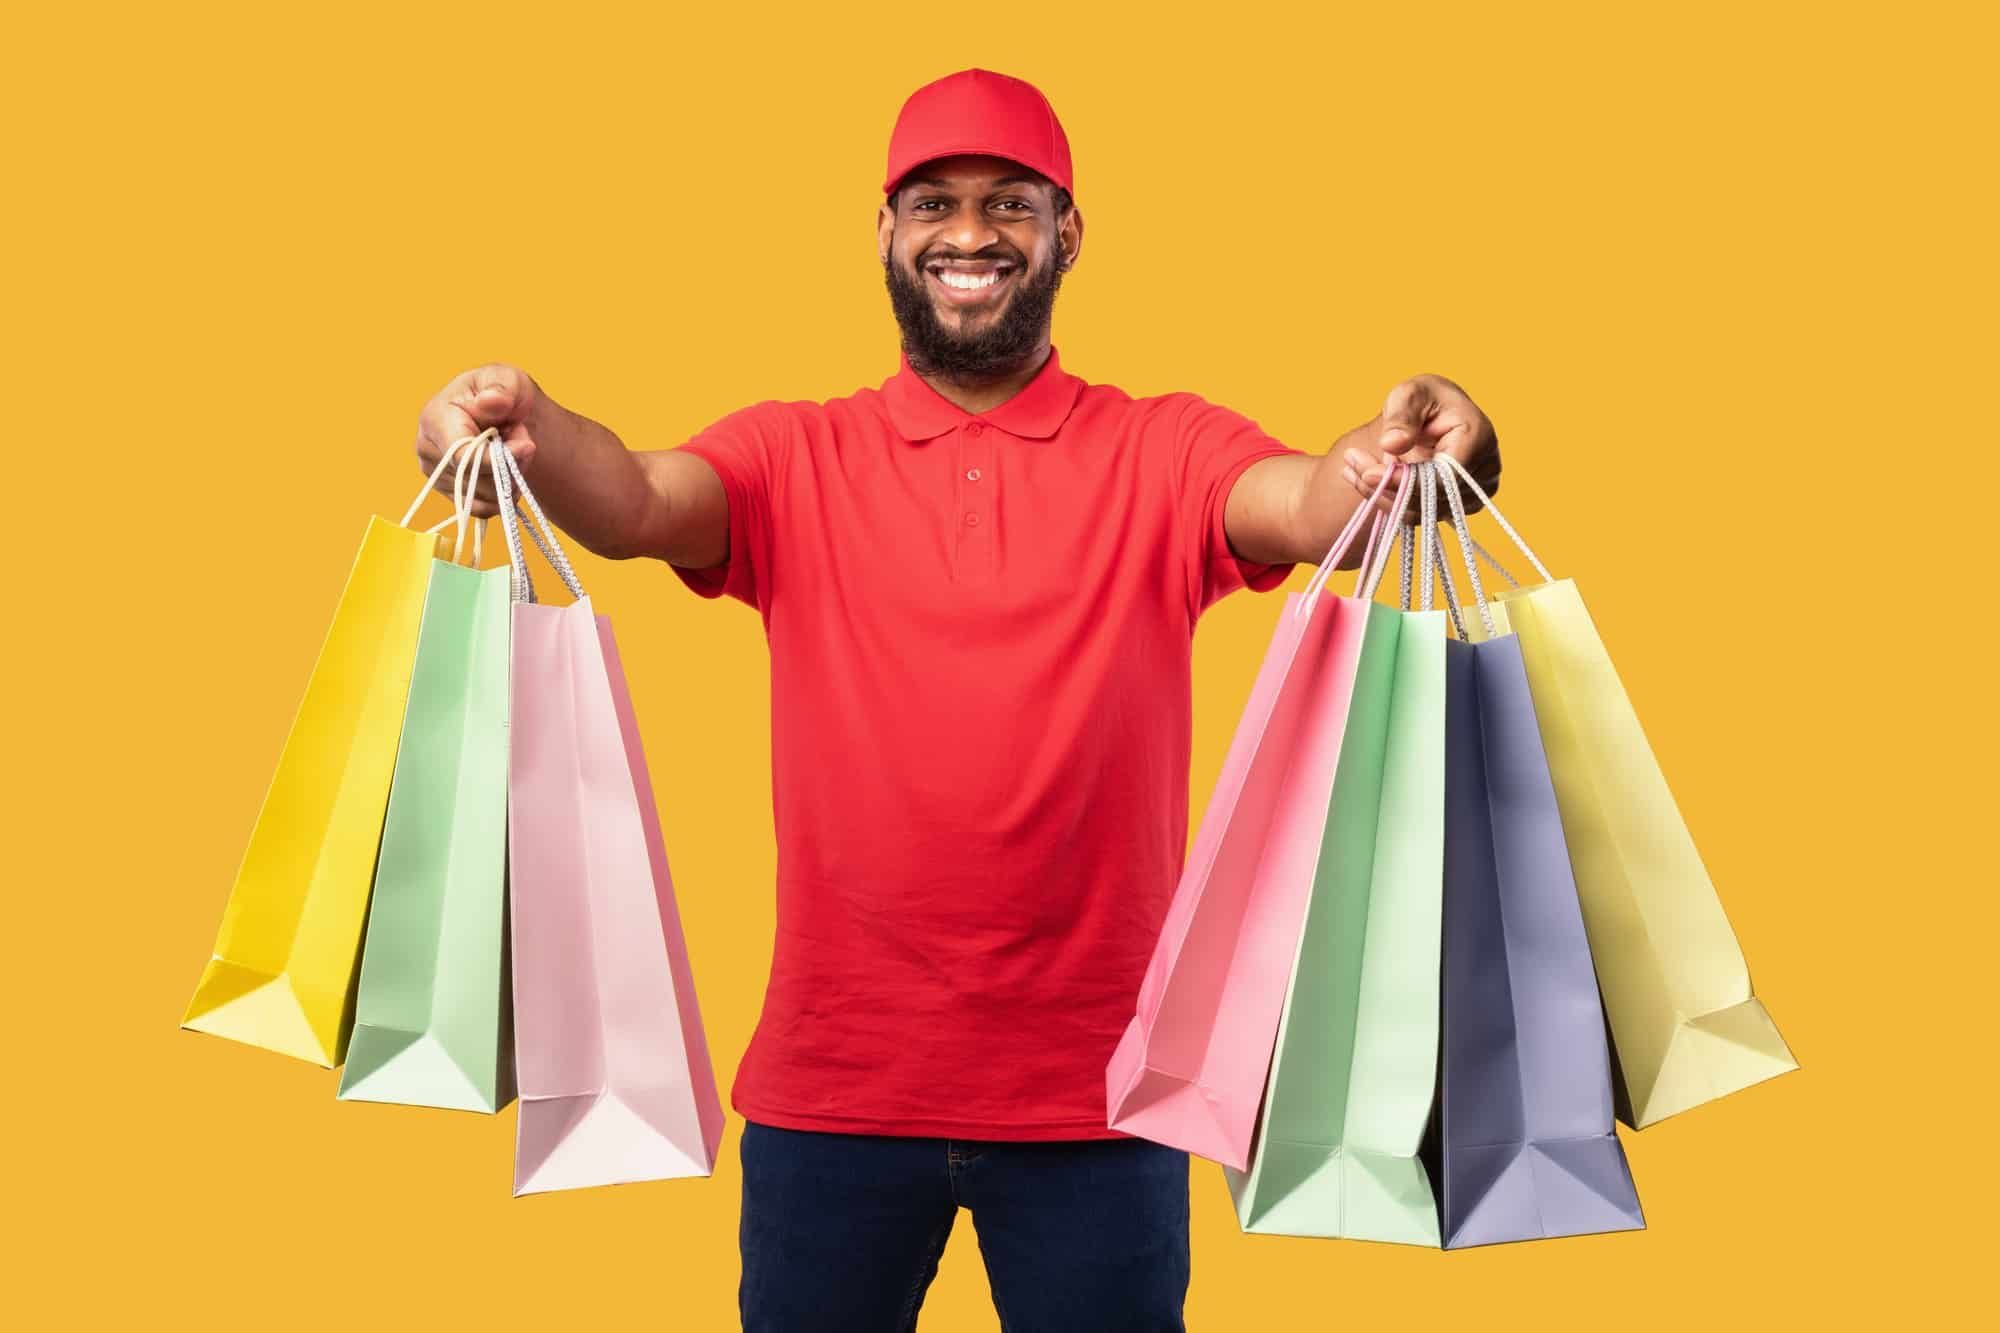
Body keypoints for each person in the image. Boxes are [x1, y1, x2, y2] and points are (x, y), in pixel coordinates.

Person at [414, 67, 1501, 1333]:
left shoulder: (1161, 447)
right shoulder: (792, 454)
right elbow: (641, 501)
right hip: (834, 1095)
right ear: (885, 232)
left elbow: (1310, 505)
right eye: (933, 203)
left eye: (1007, 204)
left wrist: (1402, 458)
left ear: (1065, 234)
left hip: (1100, 1102)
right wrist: (528, 434)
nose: (970, 234)